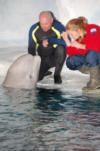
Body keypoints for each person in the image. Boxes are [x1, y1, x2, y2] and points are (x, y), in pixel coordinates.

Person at [61, 17, 100, 90]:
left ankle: (96, 82)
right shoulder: (79, 38)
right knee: (71, 61)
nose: (71, 36)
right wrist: (67, 40)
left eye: (71, 34)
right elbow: (71, 53)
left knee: (91, 54)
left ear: (78, 30)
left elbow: (97, 46)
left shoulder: (92, 28)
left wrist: (80, 46)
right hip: (94, 59)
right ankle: (96, 74)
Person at [28, 11, 66, 84]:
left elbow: (67, 42)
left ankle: (57, 74)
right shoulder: (34, 29)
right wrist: (32, 67)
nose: (44, 26)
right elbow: (31, 48)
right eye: (42, 24)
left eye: (46, 24)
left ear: (52, 20)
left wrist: (50, 40)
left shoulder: (58, 26)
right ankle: (44, 71)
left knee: (61, 48)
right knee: (35, 79)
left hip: (54, 58)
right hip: (42, 59)